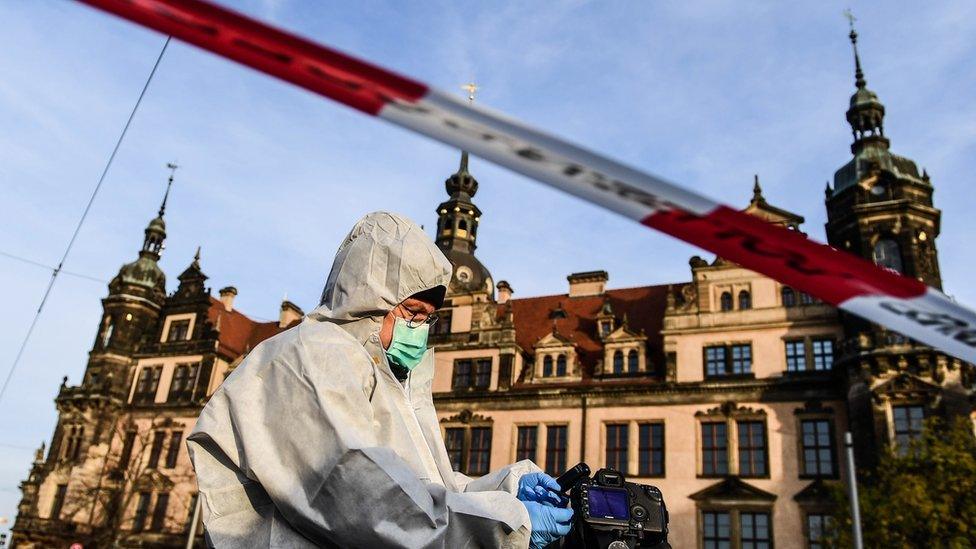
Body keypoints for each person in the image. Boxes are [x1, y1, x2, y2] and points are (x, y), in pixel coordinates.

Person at [187, 212, 573, 548]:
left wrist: (505, 489)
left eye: (428, 318)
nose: (420, 330)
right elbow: (364, 499)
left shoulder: (382, 374)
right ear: (371, 300)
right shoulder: (312, 355)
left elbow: (426, 489)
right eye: (413, 312)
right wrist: (504, 525)